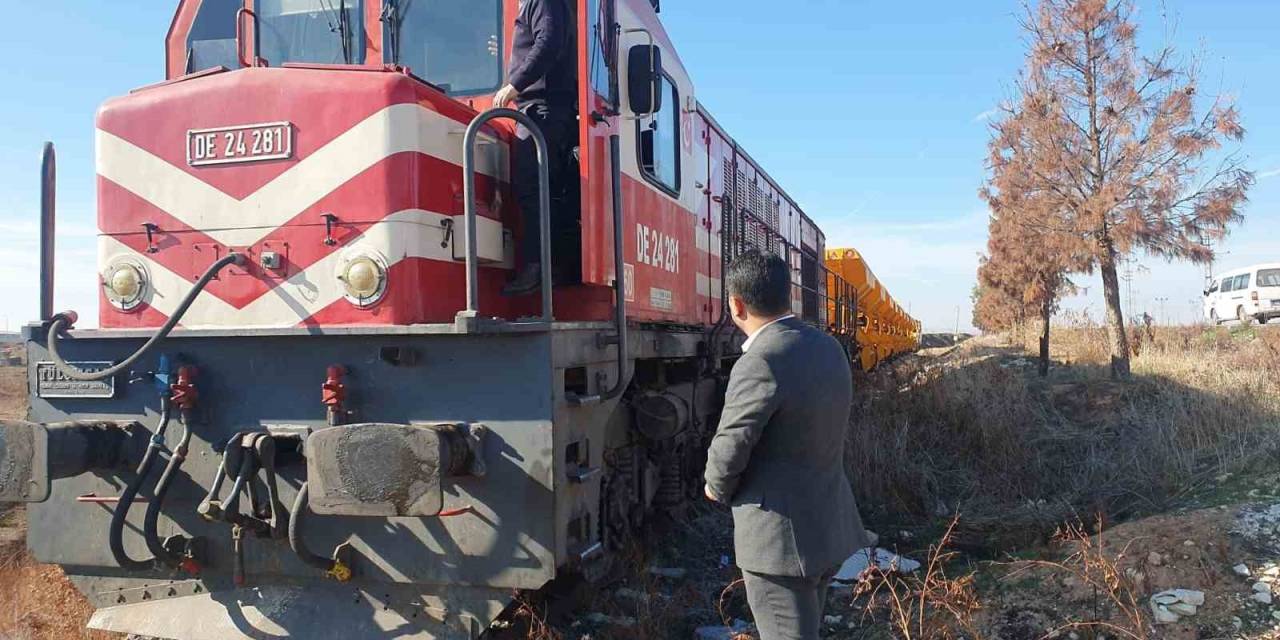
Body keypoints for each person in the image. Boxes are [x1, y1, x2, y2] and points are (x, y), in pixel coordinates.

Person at [704, 250, 870, 640]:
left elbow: (733, 439)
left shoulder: (761, 360)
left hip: (779, 545)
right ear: (789, 296)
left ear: (736, 304)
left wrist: (715, 486)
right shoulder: (829, 347)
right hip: (826, 528)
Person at [494, 0, 576, 296]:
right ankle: (548, 266)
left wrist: (514, 83)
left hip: (541, 107)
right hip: (543, 107)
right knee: (542, 189)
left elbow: (550, 40)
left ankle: (538, 266)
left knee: (533, 187)